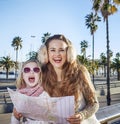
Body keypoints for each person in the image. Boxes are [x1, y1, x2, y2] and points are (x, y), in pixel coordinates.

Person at [37, 34, 100, 124]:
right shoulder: (41, 75)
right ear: (46, 53)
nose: (57, 54)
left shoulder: (80, 72)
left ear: (69, 52)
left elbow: (94, 103)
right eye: (52, 50)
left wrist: (82, 115)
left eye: (61, 50)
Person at [11, 59, 48, 124]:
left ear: (40, 75)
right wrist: (15, 117)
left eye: (36, 70)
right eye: (27, 70)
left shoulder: (46, 93)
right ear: (22, 76)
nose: (31, 72)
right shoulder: (19, 95)